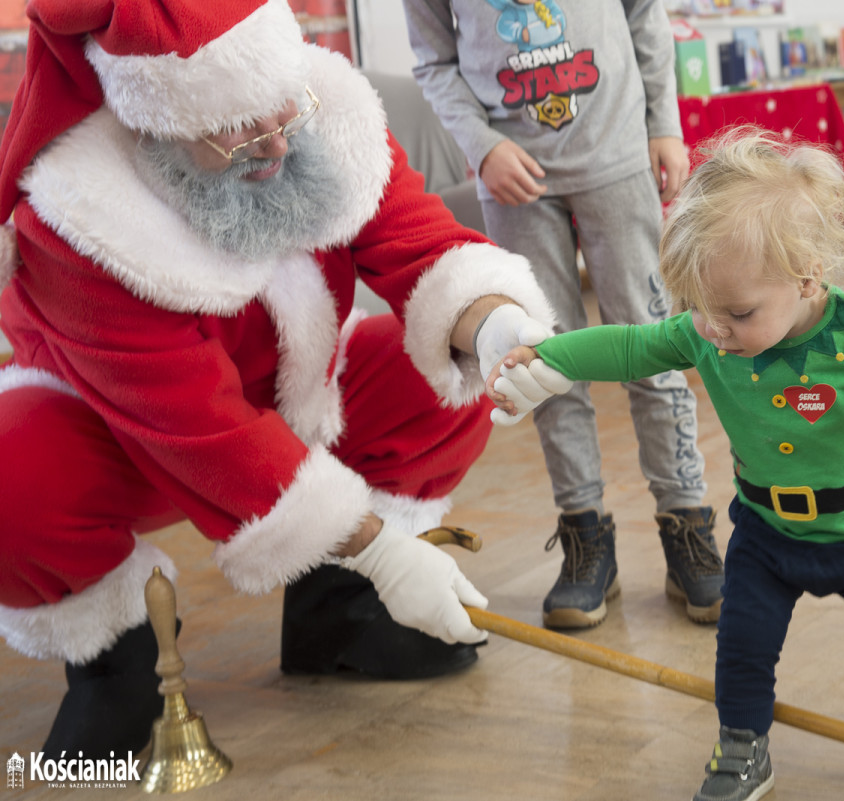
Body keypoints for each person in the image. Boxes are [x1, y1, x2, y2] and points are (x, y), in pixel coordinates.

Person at [0, 0, 559, 759]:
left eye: (278, 113)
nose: (269, 147)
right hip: (126, 438)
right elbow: (204, 434)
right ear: (153, 122)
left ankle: (341, 609)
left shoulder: (317, 110)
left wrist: (496, 327)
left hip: (289, 394)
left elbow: (418, 242)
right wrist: (384, 548)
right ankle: (115, 659)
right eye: (231, 132)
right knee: (12, 477)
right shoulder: (80, 220)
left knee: (434, 373)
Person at [488, 127, 844, 801]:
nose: (713, 329)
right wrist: (554, 357)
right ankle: (742, 745)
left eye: (738, 312)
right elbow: (633, 346)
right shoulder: (714, 329)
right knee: (742, 645)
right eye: (701, 309)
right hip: (769, 532)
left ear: (809, 276)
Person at [403, 0, 724, 630]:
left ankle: (686, 524)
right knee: (541, 360)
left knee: (654, 348)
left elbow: (645, 19)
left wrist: (664, 122)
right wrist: (482, 145)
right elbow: (435, 62)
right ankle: (585, 537)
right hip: (515, 182)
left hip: (618, 158)